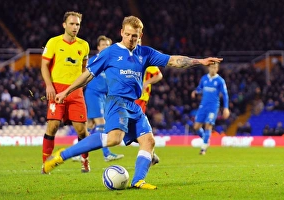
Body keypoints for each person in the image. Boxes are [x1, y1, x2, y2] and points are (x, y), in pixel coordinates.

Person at [44, 15, 222, 189]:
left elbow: (174, 60)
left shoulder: (146, 53)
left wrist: (200, 61)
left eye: (134, 35)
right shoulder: (110, 52)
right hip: (116, 101)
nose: (130, 38)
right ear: (121, 32)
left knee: (149, 141)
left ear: (140, 36)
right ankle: (62, 155)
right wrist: (67, 91)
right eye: (127, 34)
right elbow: (87, 75)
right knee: (115, 138)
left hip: (133, 105)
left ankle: (138, 181)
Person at [40, 11, 90, 174]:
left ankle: (84, 160)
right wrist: (48, 85)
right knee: (53, 126)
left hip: (75, 92)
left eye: (77, 24)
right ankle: (46, 163)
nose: (75, 27)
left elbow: (84, 69)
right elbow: (44, 65)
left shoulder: (84, 45)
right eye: (72, 24)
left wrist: (81, 86)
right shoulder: (53, 42)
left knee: (82, 130)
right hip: (56, 90)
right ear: (64, 25)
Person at [82, 35, 124, 161]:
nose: (105, 47)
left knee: (90, 124)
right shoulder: (94, 60)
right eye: (103, 45)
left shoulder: (112, 62)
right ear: (98, 47)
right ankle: (106, 154)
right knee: (102, 123)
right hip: (93, 94)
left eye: (107, 45)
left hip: (103, 96)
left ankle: (80, 152)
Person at [135, 39, 163, 165]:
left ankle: (149, 153)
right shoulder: (125, 55)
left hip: (140, 98)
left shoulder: (145, 57)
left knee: (134, 127)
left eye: (138, 39)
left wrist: (146, 83)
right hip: (127, 96)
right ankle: (150, 153)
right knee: (131, 128)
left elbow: (159, 75)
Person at [191, 62, 230, 155]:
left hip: (213, 106)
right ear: (209, 68)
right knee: (196, 127)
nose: (213, 69)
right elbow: (199, 88)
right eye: (212, 67)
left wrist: (226, 108)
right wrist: (195, 92)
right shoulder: (204, 78)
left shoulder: (220, 80)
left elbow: (225, 95)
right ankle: (205, 138)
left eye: (215, 67)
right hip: (203, 106)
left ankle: (203, 148)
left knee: (208, 124)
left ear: (217, 69)